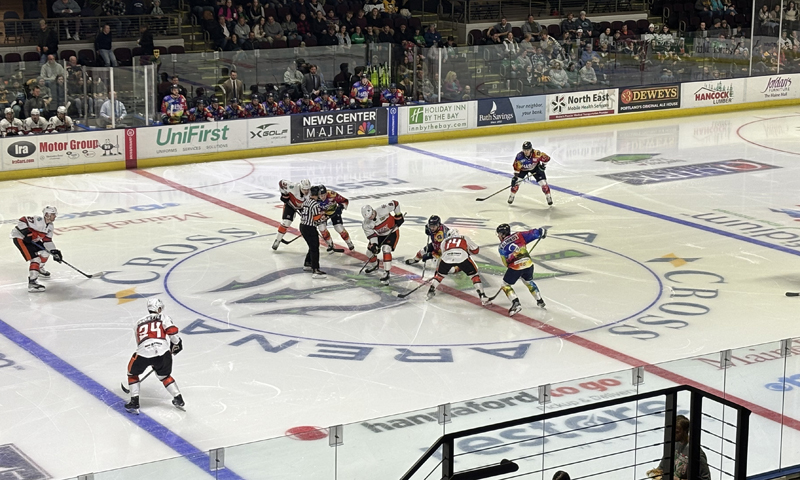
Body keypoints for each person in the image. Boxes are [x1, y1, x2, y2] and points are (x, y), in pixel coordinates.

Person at [124, 298, 185, 414]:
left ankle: (134, 400)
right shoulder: (163, 317)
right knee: (165, 376)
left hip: (144, 352)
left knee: (132, 374)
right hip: (163, 351)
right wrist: (177, 344)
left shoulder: (138, 322)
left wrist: (150, 358)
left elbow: (140, 342)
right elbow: (172, 332)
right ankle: (178, 398)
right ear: (159, 308)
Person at [425, 228, 489, 304]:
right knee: (474, 275)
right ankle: (482, 296)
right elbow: (476, 250)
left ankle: (430, 291)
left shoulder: (444, 241)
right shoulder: (464, 237)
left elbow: (443, 253)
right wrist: (466, 251)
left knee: (439, 275)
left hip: (446, 258)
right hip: (462, 257)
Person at [496, 223, 547, 316]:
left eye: (498, 234)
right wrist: (541, 232)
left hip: (516, 267)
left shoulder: (501, 247)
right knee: (528, 282)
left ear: (502, 234)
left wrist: (513, 266)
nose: (498, 236)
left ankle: (516, 303)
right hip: (528, 264)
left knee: (505, 285)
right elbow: (535, 233)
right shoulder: (519, 235)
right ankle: (540, 300)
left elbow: (506, 263)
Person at [11, 206, 62, 292]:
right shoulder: (38, 220)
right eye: (53, 214)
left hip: (33, 239)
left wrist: (54, 251)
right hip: (21, 238)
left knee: (45, 252)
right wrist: (26, 232)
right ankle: (32, 283)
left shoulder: (50, 226)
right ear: (47, 215)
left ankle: (39, 268)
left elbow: (47, 240)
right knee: (35, 259)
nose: (55, 216)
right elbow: (22, 220)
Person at [649, 415, 711, 480]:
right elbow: (662, 467)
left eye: (677, 432)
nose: (673, 434)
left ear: (685, 432)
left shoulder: (697, 453)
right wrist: (656, 474)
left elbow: (706, 478)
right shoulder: (673, 444)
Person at [361, 201, 404, 284]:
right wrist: (375, 245)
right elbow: (372, 236)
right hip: (379, 235)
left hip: (392, 232)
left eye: (372, 215)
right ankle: (375, 265)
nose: (371, 218)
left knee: (386, 248)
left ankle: (386, 272)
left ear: (373, 210)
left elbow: (395, 203)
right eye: (369, 218)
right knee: (369, 253)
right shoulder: (366, 224)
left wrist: (398, 216)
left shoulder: (383, 209)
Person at [508, 141, 552, 206]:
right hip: (523, 170)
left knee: (544, 185)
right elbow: (516, 167)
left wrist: (543, 166)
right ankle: (512, 196)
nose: (526, 152)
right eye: (524, 150)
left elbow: (547, 158)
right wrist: (515, 177)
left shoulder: (537, 153)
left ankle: (548, 197)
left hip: (535, 168)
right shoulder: (519, 156)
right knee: (515, 186)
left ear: (531, 149)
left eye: (528, 150)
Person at [315, 185, 355, 251]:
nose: (323, 197)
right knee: (321, 228)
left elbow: (344, 201)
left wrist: (340, 207)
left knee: (339, 228)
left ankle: (349, 242)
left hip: (334, 212)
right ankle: (330, 244)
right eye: (321, 196)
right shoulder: (315, 198)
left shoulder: (332, 194)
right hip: (322, 214)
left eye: (324, 195)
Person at [273, 179, 311, 249]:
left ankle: (313, 238)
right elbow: (281, 183)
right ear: (300, 187)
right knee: (286, 222)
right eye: (304, 189)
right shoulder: (293, 187)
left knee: (309, 222)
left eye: (307, 189)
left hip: (303, 206)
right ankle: (278, 240)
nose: (306, 191)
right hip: (290, 205)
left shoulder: (311, 192)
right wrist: (284, 195)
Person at [299, 186, 328, 277]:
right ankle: (315, 269)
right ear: (318, 194)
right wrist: (323, 218)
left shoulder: (306, 202)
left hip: (303, 226)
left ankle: (307, 263)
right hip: (310, 228)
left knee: (312, 246)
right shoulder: (315, 205)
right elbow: (316, 219)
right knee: (315, 247)